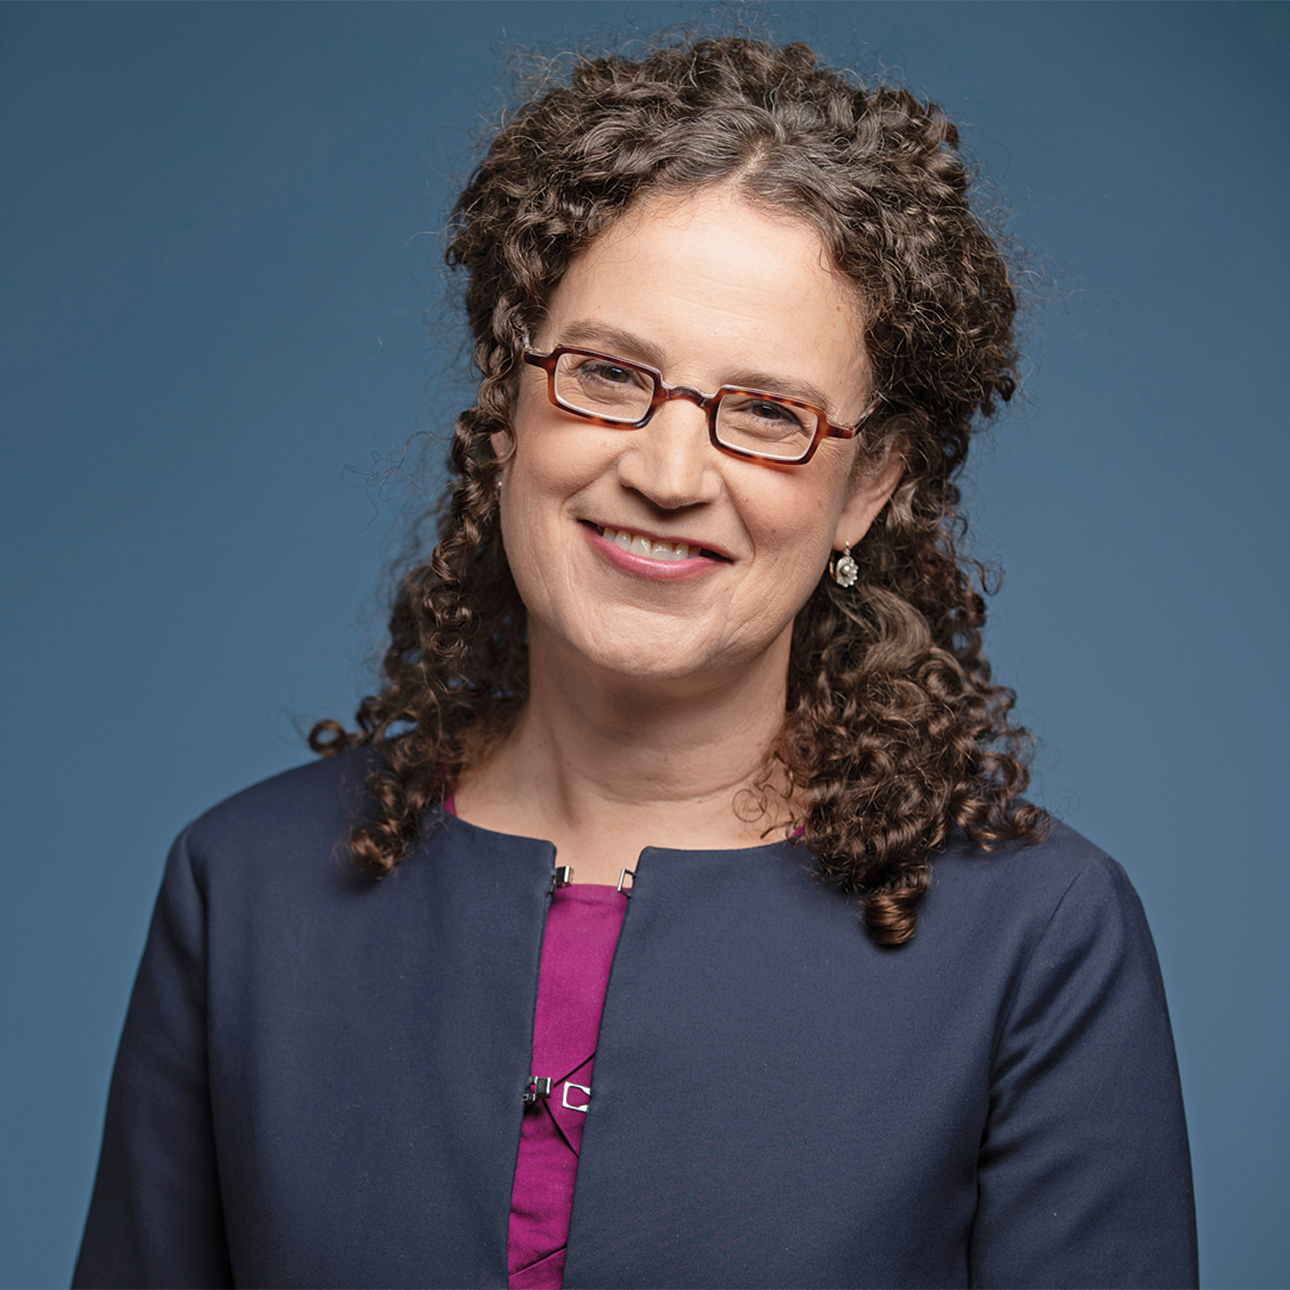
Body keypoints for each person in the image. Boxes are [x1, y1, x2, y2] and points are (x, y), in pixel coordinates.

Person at [73, 36, 1197, 1290]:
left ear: (868, 485)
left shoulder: (1039, 939)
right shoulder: (243, 889)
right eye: (610, 377)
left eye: (767, 413)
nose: (666, 475)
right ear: (509, 401)